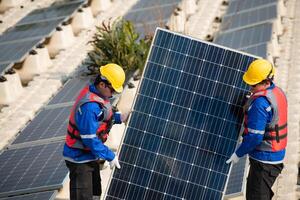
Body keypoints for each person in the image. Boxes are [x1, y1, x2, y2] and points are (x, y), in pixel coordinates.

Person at [63, 63, 127, 200]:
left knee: (95, 193)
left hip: (90, 155)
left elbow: (101, 116)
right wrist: (110, 155)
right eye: (113, 90)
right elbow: (90, 139)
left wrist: (118, 118)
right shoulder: (89, 107)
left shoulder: (98, 95)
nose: (113, 94)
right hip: (79, 159)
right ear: (103, 84)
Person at [226, 59, 287, 200]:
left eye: (254, 84)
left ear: (266, 81)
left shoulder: (260, 104)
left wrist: (237, 154)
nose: (250, 86)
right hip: (274, 155)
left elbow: (254, 138)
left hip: (264, 162)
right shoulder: (277, 92)